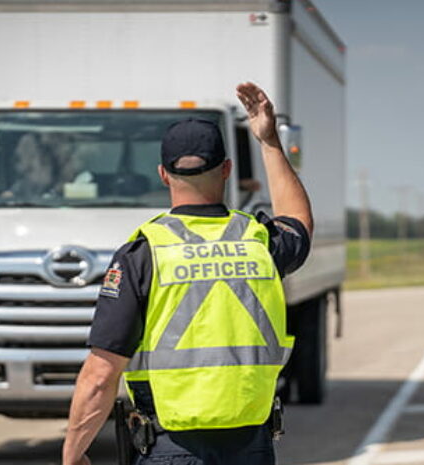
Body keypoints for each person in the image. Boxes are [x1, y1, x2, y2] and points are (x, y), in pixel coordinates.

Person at [62, 82, 313, 465]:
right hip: (251, 448)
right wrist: (269, 141)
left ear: (163, 174)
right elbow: (298, 223)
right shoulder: (258, 242)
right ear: (227, 170)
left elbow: (100, 374)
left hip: (170, 449)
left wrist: (72, 453)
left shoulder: (144, 253)